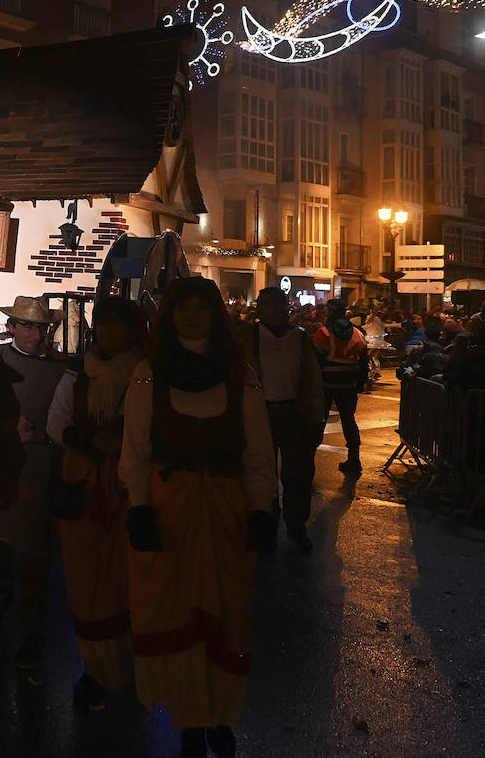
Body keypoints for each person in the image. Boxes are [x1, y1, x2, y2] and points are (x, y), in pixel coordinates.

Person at [119, 276, 276, 758]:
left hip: (225, 508)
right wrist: (140, 508)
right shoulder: (150, 372)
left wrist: (263, 510)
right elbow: (136, 450)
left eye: (200, 308)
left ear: (214, 314)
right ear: (171, 313)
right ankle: (190, 718)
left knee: (228, 614)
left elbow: (257, 453)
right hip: (171, 508)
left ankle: (221, 715)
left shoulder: (238, 374)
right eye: (182, 307)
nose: (191, 316)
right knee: (174, 610)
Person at [45, 296, 146, 710]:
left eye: (116, 324)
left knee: (128, 577)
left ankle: (131, 667)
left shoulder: (145, 375)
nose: (107, 332)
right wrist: (89, 442)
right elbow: (57, 423)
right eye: (102, 324)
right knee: (87, 579)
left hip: (130, 487)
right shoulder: (78, 374)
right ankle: (97, 668)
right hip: (85, 485)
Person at [0, 295, 68, 670]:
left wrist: (45, 436)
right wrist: (1, 425)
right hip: (2, 461)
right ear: (11, 327)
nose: (35, 333)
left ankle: (33, 628)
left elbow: (69, 415)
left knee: (35, 547)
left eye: (41, 326)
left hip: (43, 464)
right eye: (27, 325)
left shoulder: (62, 369)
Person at [236, 287, 324, 552]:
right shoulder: (247, 336)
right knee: (261, 472)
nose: (271, 310)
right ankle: (266, 523)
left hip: (293, 412)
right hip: (258, 412)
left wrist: (314, 414)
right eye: (265, 304)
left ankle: (296, 525)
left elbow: (312, 377)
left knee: (297, 472)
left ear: (285, 307)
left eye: (276, 304)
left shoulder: (300, 337)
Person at [312, 298, 369, 477]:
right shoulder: (357, 333)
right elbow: (364, 362)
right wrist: (360, 383)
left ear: (330, 312)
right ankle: (354, 459)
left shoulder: (323, 333)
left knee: (318, 421)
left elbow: (314, 360)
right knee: (348, 420)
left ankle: (309, 461)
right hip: (348, 385)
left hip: (325, 384)